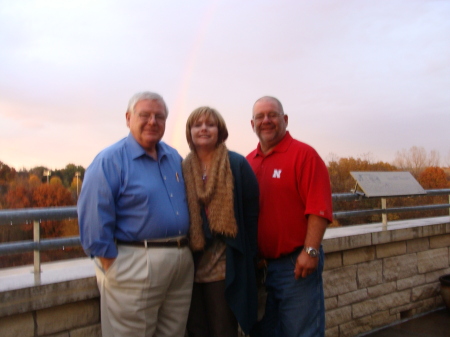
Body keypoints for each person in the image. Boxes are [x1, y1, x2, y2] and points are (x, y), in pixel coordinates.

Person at [77, 91, 193, 337]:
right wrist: (112, 265)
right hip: (136, 261)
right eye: (145, 115)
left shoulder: (174, 158)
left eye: (159, 117)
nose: (152, 121)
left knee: (174, 333)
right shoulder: (110, 160)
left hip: (180, 263)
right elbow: (93, 217)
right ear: (128, 118)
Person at [246, 96, 333, 337]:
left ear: (284, 119)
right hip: (261, 269)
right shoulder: (247, 163)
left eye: (272, 115)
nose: (266, 121)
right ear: (252, 124)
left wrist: (311, 251)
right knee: (265, 332)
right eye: (259, 117)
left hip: (296, 266)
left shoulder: (304, 156)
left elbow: (319, 207)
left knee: (302, 332)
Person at [182, 106, 259, 337]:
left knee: (223, 330)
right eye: (197, 124)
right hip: (190, 268)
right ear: (190, 131)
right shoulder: (181, 167)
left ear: (220, 130)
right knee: (196, 331)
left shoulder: (236, 164)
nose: (203, 128)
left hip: (225, 270)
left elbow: (251, 215)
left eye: (210, 124)